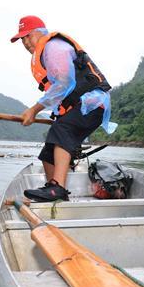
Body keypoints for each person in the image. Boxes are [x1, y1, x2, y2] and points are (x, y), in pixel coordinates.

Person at [11, 15, 117, 202]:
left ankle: (57, 188)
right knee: (49, 150)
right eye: (22, 39)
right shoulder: (45, 52)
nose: (25, 42)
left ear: (39, 32)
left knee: (62, 129)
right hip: (80, 106)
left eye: (28, 36)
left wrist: (34, 110)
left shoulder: (54, 48)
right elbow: (62, 92)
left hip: (92, 103)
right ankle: (54, 192)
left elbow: (64, 83)